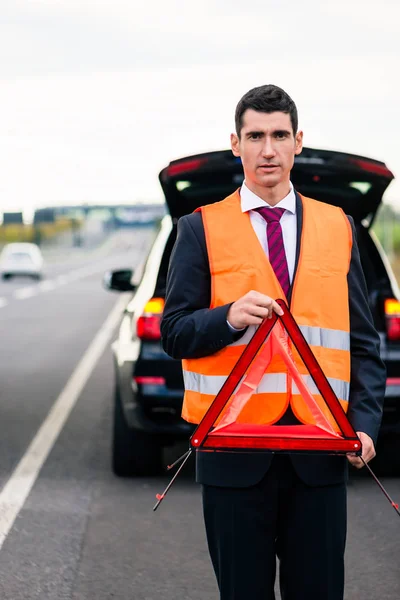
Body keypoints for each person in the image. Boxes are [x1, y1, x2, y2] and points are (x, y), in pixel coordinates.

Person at [160, 84, 386, 600]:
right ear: (235, 144)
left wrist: (365, 425)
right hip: (233, 456)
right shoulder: (198, 230)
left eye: (279, 135)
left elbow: (364, 343)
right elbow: (174, 333)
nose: (268, 148)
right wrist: (227, 317)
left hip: (320, 455)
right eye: (255, 135)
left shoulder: (340, 227)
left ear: (298, 141)